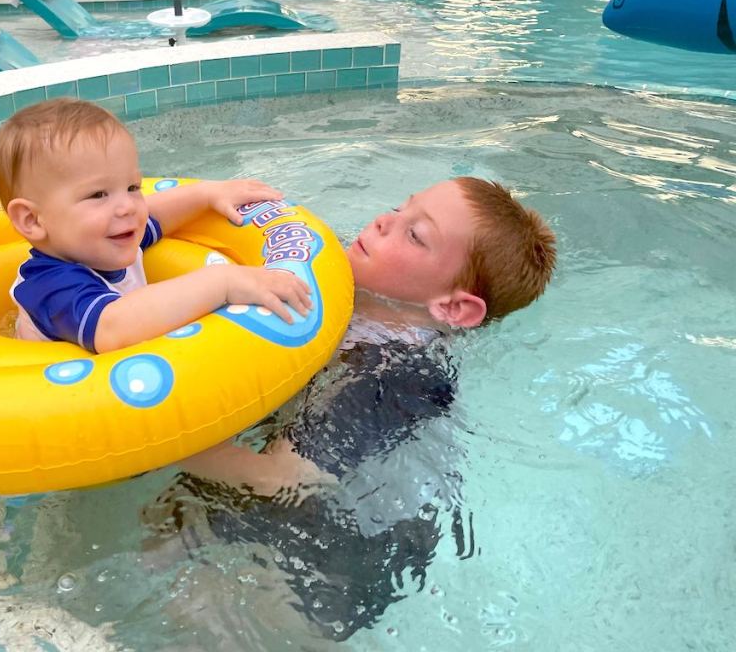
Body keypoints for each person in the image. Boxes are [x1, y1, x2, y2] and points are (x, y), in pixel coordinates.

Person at [143, 176, 557, 642]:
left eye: (415, 235)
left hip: (343, 560)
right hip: (309, 500)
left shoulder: (396, 375)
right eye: (402, 207)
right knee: (159, 533)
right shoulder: (343, 303)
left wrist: (149, 437)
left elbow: (287, 480)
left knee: (191, 611)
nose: (385, 221)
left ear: (454, 308)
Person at [0, 98, 312, 352]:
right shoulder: (49, 285)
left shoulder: (108, 239)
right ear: (33, 220)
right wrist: (222, 282)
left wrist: (207, 193)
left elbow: (155, 216)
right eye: (99, 194)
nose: (128, 206)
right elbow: (112, 328)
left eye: (132, 187)